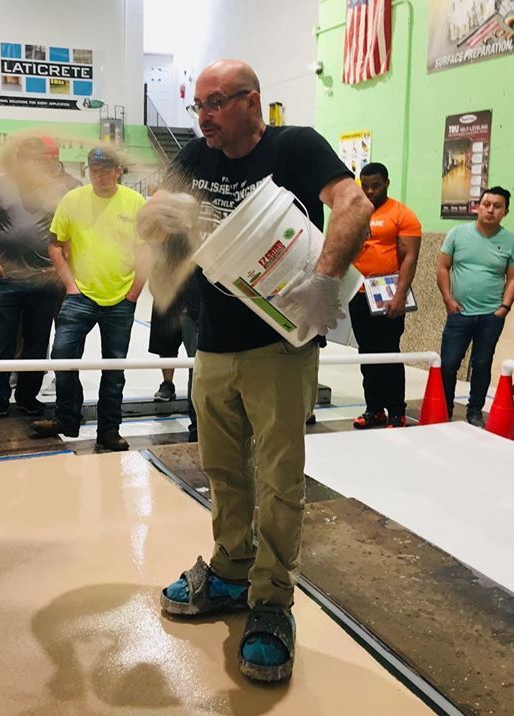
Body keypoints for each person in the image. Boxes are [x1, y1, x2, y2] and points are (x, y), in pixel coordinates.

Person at [138, 59, 371, 682]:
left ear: (252, 102)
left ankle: (271, 602)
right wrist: (154, 218)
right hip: (212, 346)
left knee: (278, 477)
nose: (205, 116)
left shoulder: (294, 147)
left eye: (216, 102)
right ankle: (231, 569)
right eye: (198, 105)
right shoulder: (195, 155)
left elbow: (352, 205)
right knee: (220, 466)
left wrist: (324, 279)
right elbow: (154, 212)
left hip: (279, 348)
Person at [29, 146, 147, 452]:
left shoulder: (135, 203)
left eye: (106, 170)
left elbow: (147, 251)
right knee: (63, 356)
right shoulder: (73, 200)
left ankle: (109, 430)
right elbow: (55, 245)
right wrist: (70, 285)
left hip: (121, 298)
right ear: (88, 171)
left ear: (118, 170)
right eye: (95, 171)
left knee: (114, 368)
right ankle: (67, 418)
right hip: (80, 296)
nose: (100, 177)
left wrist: (134, 292)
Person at [0, 136, 79, 422]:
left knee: (37, 342)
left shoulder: (63, 189)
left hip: (45, 280)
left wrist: (64, 268)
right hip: (6, 279)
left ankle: (28, 398)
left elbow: (76, 231)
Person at [437, 187, 514, 427]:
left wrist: (504, 307)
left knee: (482, 363)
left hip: (491, 316)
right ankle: (446, 408)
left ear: (505, 211)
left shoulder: (511, 241)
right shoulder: (457, 234)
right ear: (477, 206)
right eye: (486, 204)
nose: (490, 210)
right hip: (459, 312)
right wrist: (447, 299)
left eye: (497, 206)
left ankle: (474, 411)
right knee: (449, 363)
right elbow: (443, 268)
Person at [349, 162, 422, 429]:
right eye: (365, 186)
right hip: (357, 293)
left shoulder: (403, 215)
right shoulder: (355, 212)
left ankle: (396, 412)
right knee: (366, 354)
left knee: (389, 353)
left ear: (387, 184)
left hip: (388, 295)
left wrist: (400, 296)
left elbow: (409, 257)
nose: (369, 191)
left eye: (375, 186)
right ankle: (374, 409)